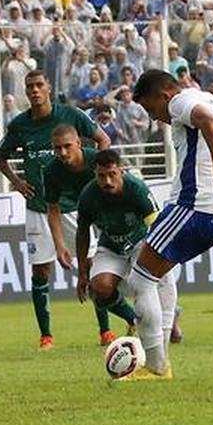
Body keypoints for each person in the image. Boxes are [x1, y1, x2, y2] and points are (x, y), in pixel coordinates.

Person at [123, 69, 213, 379]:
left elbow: (206, 120)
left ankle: (156, 364)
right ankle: (159, 360)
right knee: (157, 276)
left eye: (151, 109)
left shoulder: (181, 101)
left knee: (140, 279)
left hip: (194, 204)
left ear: (164, 96)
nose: (153, 118)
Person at [0, 70, 112, 350]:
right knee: (40, 271)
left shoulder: (70, 115)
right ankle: (46, 336)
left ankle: (105, 331)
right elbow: (0, 156)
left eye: (39, 85)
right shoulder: (20, 125)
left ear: (49, 88)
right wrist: (17, 182)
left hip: (72, 208)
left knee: (92, 267)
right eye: (30, 86)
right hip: (38, 207)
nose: (34, 90)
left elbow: (103, 141)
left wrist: (96, 179)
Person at [74, 148, 181, 359]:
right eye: (101, 176)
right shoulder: (88, 196)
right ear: (95, 174)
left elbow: (155, 225)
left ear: (121, 171)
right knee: (99, 289)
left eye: (112, 174)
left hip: (142, 242)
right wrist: (82, 273)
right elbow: (82, 233)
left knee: (155, 285)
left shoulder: (136, 189)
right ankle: (134, 319)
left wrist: (162, 258)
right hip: (111, 247)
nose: (107, 181)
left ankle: (167, 323)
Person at [43, 123, 134, 346]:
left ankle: (166, 317)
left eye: (67, 147)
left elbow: (126, 184)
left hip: (126, 220)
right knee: (96, 283)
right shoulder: (52, 171)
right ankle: (129, 321)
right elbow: (53, 209)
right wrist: (59, 245)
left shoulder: (97, 160)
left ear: (79, 144)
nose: (62, 153)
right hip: (94, 221)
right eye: (57, 148)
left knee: (143, 280)